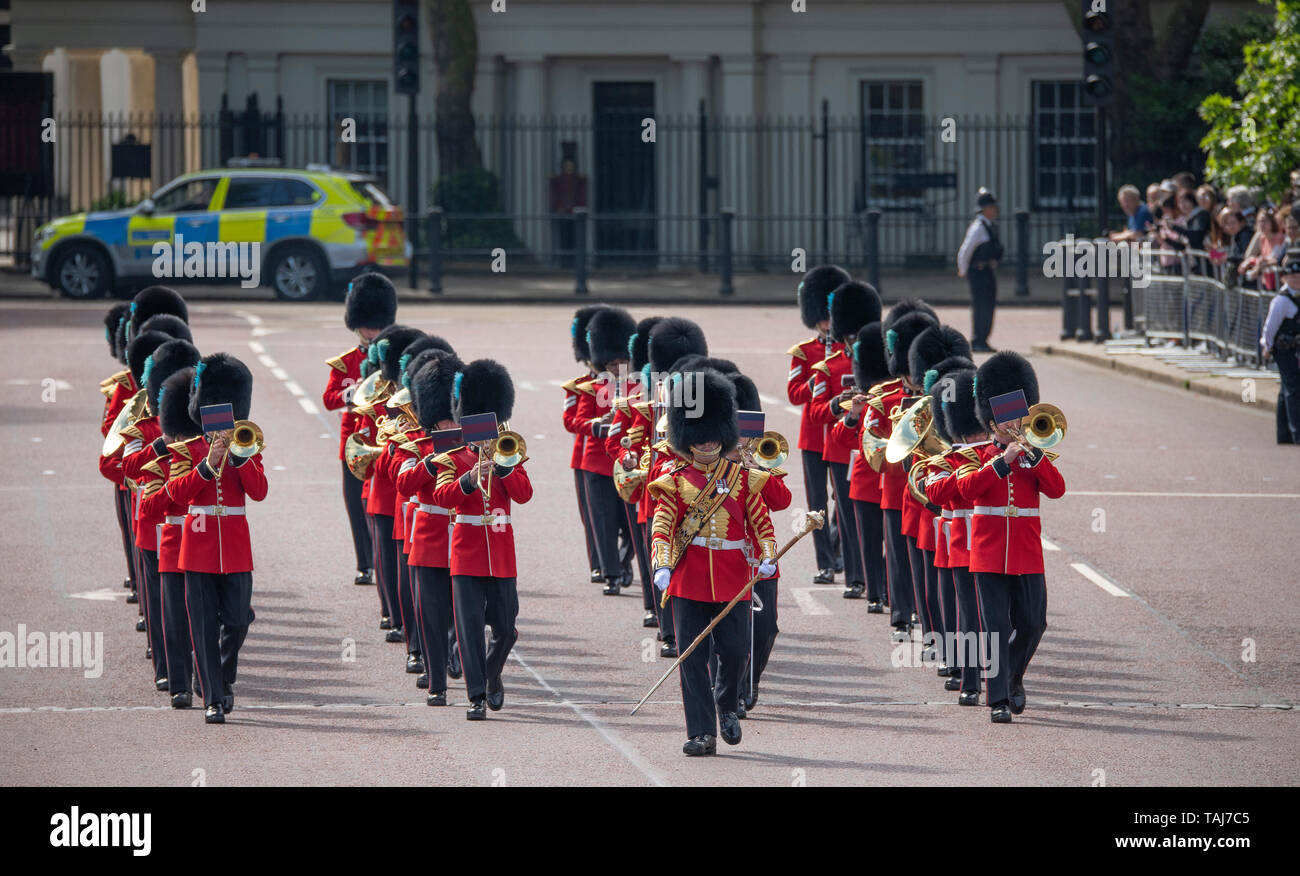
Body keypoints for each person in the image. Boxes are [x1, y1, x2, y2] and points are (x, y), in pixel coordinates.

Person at [649, 368, 777, 756]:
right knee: (691, 658)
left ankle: (726, 704)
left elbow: (761, 523)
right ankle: (701, 732)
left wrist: (769, 556)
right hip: (688, 580)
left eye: (711, 435)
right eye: (698, 436)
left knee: (737, 651)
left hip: (733, 579)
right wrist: (662, 564)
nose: (705, 443)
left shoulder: (740, 478)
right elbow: (662, 525)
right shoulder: (674, 480)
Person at [957, 352, 1066, 724]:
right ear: (992, 423)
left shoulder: (1035, 456)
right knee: (997, 627)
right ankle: (999, 698)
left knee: (1034, 623)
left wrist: (1034, 459)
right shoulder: (979, 456)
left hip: (1027, 553)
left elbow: (1057, 490)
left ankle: (1013, 676)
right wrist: (1002, 461)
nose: (1016, 425)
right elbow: (968, 488)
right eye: (1008, 421)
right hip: (988, 555)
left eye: (1019, 418)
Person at [166, 353, 269, 724]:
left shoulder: (247, 446)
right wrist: (208, 464)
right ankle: (212, 697)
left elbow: (259, 492)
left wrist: (240, 457)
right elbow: (176, 493)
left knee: (238, 621)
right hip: (198, 550)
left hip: (237, 550)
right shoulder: (190, 450)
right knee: (205, 625)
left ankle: (222, 678)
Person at [430, 359, 533, 721]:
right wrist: (469, 480)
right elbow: (442, 498)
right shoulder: (452, 457)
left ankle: (491, 674)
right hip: (466, 551)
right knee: (469, 627)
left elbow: (524, 495)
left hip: (501, 552)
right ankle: (476, 696)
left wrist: (506, 469)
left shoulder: (508, 453)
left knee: (505, 629)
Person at [395, 348, 467, 706]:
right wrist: (429, 463)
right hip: (428, 534)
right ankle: (437, 681)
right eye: (444, 421)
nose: (450, 426)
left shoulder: (474, 443)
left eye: (453, 419)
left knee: (464, 610)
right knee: (431, 612)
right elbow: (404, 485)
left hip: (466, 536)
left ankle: (459, 653)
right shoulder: (414, 445)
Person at [868, 301, 938, 642]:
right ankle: (900, 613)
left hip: (933, 490)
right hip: (897, 487)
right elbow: (872, 446)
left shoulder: (940, 395)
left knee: (928, 563)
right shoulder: (884, 398)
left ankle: (930, 619)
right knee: (897, 554)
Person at [323, 272, 397, 588]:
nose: (372, 331)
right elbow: (329, 399)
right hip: (354, 440)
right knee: (356, 505)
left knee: (381, 505)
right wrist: (350, 395)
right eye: (368, 325)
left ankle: (387, 559)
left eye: (377, 325)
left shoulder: (394, 357)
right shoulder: (346, 363)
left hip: (386, 438)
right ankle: (365, 563)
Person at [808, 280, 881, 599]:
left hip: (872, 447)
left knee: (875, 516)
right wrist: (840, 404)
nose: (854, 342)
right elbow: (815, 413)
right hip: (841, 448)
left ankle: (879, 578)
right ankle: (856, 577)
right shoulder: (829, 367)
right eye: (850, 336)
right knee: (849, 517)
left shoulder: (882, 365)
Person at [724, 371, 791, 716]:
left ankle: (750, 682)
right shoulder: (708, 464)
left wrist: (753, 467)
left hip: (761, 559)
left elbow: (781, 501)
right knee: (729, 630)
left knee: (765, 630)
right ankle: (730, 690)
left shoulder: (759, 460)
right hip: (723, 559)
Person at [644, 316, 710, 656]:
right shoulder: (653, 396)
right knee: (662, 557)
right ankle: (669, 630)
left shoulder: (699, 394)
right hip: (660, 485)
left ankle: (689, 625)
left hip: (695, 486)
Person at [138, 366, 203, 708]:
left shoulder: (210, 456)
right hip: (172, 546)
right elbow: (149, 509)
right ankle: (179, 682)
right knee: (175, 619)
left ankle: (203, 674)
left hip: (204, 548)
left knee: (205, 618)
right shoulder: (160, 463)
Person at [926, 366, 988, 706]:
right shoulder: (947, 458)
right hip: (960, 541)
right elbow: (934, 491)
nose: (977, 437)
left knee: (994, 614)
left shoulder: (994, 454)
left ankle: (996, 674)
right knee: (967, 613)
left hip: (995, 542)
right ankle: (970, 678)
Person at [787, 265, 851, 583]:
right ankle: (824, 562)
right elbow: (794, 393)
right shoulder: (803, 352)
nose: (827, 321)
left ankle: (838, 548)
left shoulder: (848, 351)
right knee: (816, 502)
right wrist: (818, 380)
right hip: (813, 436)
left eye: (831, 314)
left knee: (845, 496)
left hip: (841, 435)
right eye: (822, 315)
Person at [607, 315, 665, 628]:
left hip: (676, 484)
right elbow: (616, 439)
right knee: (646, 548)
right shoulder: (631, 398)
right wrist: (629, 458)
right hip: (641, 483)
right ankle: (653, 606)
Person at [581, 306, 639, 597]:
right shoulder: (593, 387)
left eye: (622, 361)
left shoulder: (639, 388)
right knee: (603, 522)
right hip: (596, 462)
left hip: (627, 462)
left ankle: (623, 561)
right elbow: (577, 421)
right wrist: (597, 424)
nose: (617, 367)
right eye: (612, 363)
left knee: (631, 525)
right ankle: (611, 575)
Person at [833, 323, 891, 611]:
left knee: (894, 544)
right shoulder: (865, 399)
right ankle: (874, 593)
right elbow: (841, 439)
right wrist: (852, 416)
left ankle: (892, 590)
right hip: (865, 479)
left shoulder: (897, 400)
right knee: (869, 542)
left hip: (894, 479)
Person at [561, 305, 611, 589]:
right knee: (593, 517)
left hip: (616, 455)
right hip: (586, 457)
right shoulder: (579, 386)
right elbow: (570, 421)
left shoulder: (624, 384)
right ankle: (598, 564)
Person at [956, 187, 1003, 352]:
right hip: (977, 271)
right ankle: (978, 340)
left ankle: (983, 338)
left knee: (988, 304)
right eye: (992, 206)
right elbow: (965, 250)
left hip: (987, 270)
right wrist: (963, 269)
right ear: (985, 208)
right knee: (980, 305)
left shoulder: (989, 226)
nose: (995, 209)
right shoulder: (978, 227)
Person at [1262, 258, 1300, 444]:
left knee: (1286, 389)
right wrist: (1267, 347)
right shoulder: (1281, 301)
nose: (1297, 280)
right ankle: (1297, 433)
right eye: (1292, 277)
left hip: (1296, 349)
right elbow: (1270, 327)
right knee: (1293, 389)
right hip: (1285, 350)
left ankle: (1284, 435)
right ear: (1284, 278)